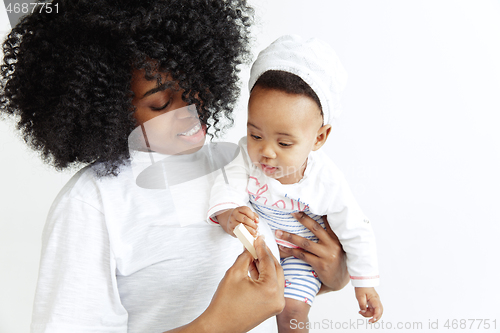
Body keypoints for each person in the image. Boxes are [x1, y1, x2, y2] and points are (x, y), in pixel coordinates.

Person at [0, 2, 348, 332]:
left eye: (194, 88)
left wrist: (332, 275)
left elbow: (274, 286)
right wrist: (216, 325)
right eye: (161, 103)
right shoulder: (93, 205)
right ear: (111, 109)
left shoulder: (244, 164)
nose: (191, 111)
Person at [208, 35, 383, 332]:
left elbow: (355, 228)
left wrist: (364, 283)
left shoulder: (326, 180)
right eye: (256, 135)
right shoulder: (246, 158)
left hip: (302, 255)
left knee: (292, 310)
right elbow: (228, 183)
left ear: (319, 138)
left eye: (284, 142)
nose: (266, 152)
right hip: (261, 243)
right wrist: (227, 213)